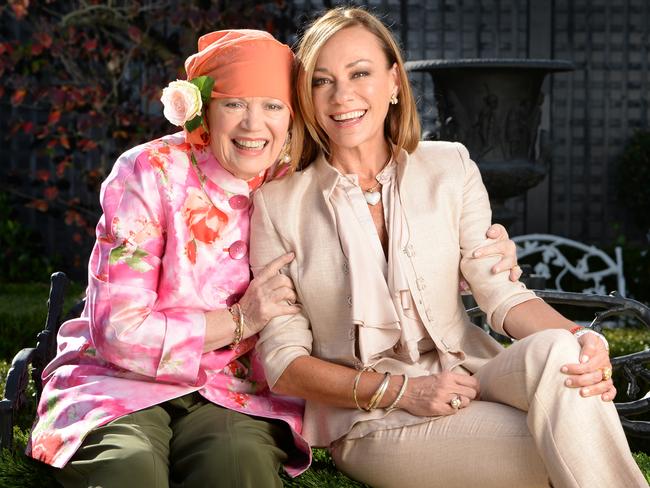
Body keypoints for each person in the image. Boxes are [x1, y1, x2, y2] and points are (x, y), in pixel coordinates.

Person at [27, 27, 519, 488]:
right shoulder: (150, 171)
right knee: (127, 466)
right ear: (200, 109)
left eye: (273, 106)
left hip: (236, 391)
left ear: (294, 114)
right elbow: (118, 333)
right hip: (122, 381)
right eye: (233, 104)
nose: (253, 125)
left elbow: (375, 251)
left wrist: (469, 261)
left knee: (237, 466)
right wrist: (240, 320)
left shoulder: (297, 176)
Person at [249, 7, 647, 488]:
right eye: (322, 81)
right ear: (307, 97)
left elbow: (502, 294)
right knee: (573, 438)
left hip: (473, 374)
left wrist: (586, 340)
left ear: (394, 82)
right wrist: (402, 391)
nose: (342, 96)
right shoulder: (277, 204)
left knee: (562, 352)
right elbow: (283, 364)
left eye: (360, 73)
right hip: (373, 419)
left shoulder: (450, 166)